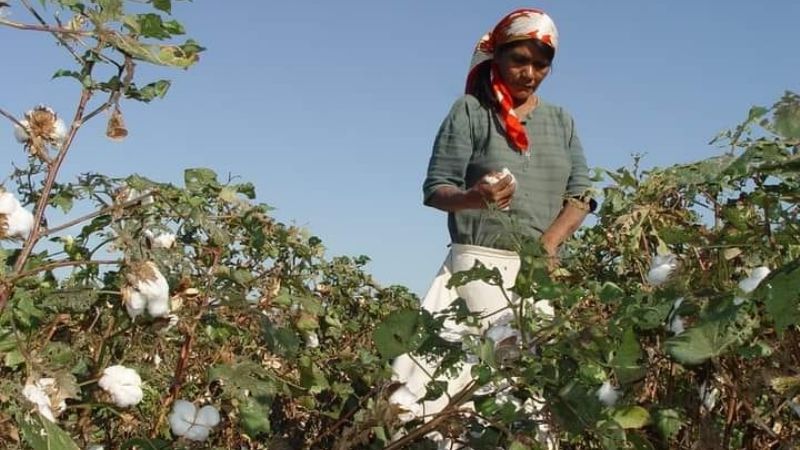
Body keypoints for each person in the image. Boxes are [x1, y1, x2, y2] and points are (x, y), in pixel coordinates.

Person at [390, 7, 593, 449]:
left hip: (537, 272)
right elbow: (435, 188)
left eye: (541, 64)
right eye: (519, 60)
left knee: (528, 393)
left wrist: (550, 243)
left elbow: (582, 196)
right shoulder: (470, 112)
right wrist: (473, 198)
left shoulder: (562, 121)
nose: (530, 73)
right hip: (475, 266)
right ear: (496, 57)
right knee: (452, 389)